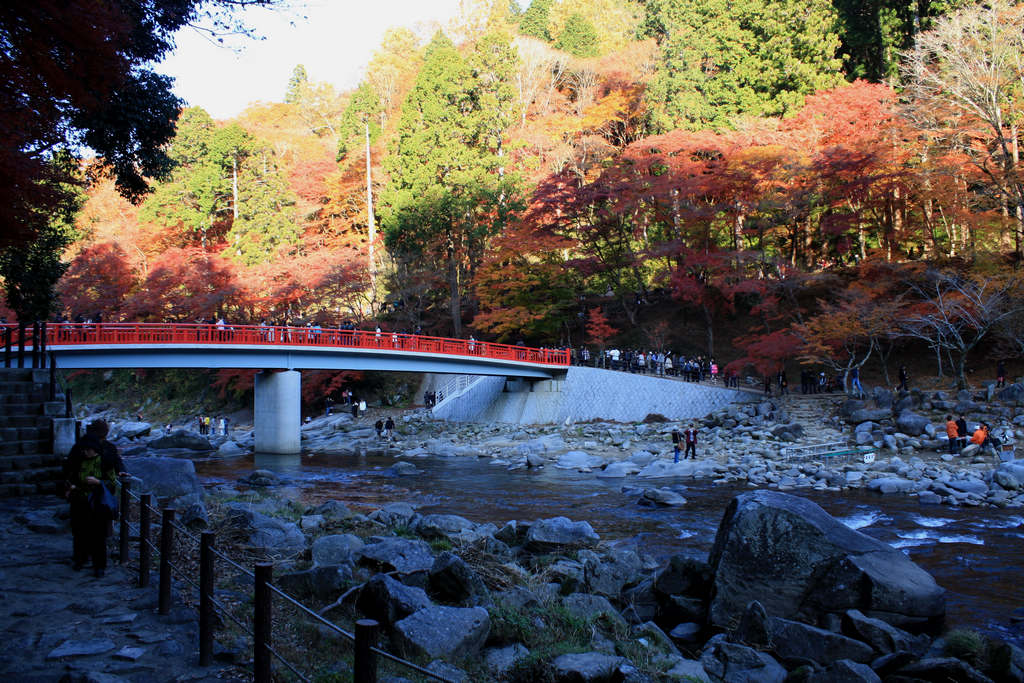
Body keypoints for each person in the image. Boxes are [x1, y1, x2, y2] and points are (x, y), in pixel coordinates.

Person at [63, 423, 125, 577]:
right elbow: (69, 476)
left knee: (98, 535)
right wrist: (70, 488)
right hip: (80, 500)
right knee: (79, 533)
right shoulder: (78, 458)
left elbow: (112, 483)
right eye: (84, 450)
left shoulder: (105, 461)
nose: (85, 452)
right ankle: (80, 559)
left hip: (98, 502)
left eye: (88, 450)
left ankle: (99, 565)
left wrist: (99, 483)